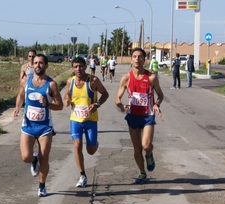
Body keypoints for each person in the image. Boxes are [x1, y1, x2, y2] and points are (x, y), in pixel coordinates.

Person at [13, 54, 63, 197]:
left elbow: (60, 106)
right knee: (25, 156)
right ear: (32, 65)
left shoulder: (51, 84)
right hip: (28, 125)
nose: (38, 65)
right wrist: (17, 107)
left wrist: (48, 104)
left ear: (46, 65)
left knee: (45, 158)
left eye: (41, 63)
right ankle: (33, 160)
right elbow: (21, 95)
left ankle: (42, 186)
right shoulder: (26, 81)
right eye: (35, 63)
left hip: (44, 127)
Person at [115, 47, 164, 184]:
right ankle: (142, 173)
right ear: (131, 59)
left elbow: (160, 94)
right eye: (135, 56)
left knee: (146, 145)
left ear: (144, 60)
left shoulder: (151, 77)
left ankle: (149, 154)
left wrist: (156, 104)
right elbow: (117, 98)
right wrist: (121, 105)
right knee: (137, 149)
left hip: (147, 115)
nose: (137, 58)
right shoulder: (126, 78)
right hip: (133, 116)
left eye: (140, 56)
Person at [64, 56, 109, 188]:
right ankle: (82, 175)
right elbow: (67, 95)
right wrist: (67, 100)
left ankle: (94, 143)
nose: (78, 69)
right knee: (77, 145)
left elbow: (105, 94)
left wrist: (97, 104)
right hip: (75, 120)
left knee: (90, 151)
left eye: (81, 66)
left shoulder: (93, 81)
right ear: (72, 68)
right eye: (76, 66)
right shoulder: (70, 81)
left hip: (90, 120)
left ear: (86, 66)